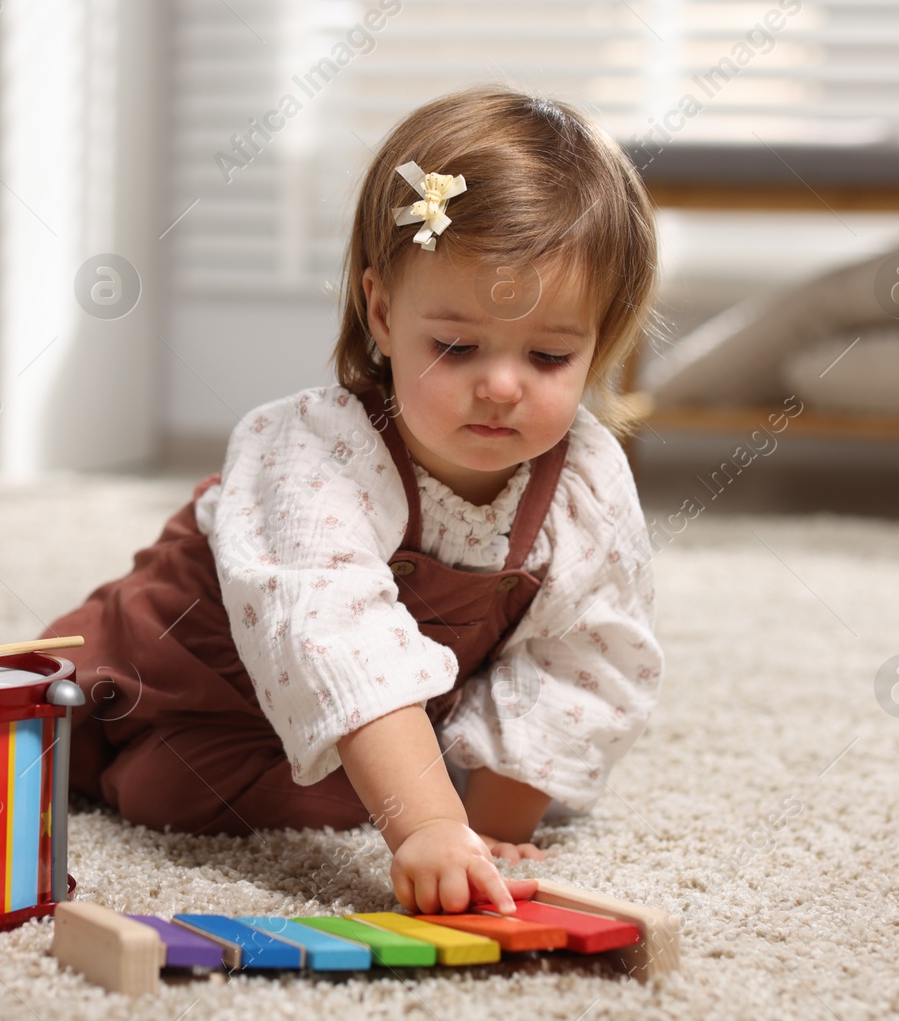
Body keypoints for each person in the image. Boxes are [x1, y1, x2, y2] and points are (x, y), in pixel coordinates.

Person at [42, 84, 664, 916]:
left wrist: (492, 825)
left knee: (340, 792)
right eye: (455, 345)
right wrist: (426, 823)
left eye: (550, 356)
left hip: (349, 730)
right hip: (182, 668)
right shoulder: (316, 446)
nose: (503, 385)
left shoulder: (583, 476)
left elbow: (588, 652)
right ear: (380, 311)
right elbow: (331, 626)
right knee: (55, 737)